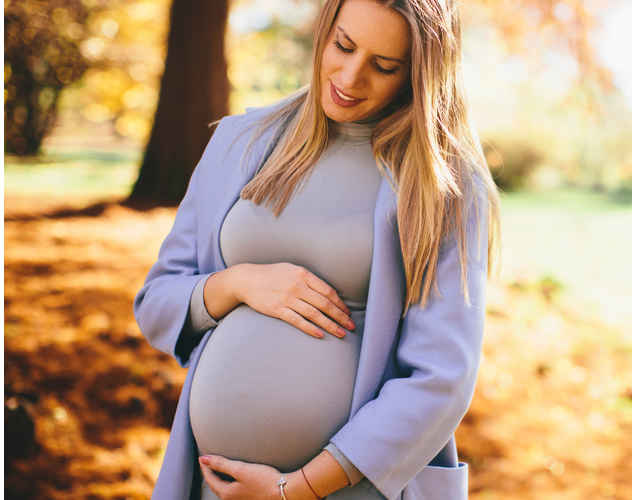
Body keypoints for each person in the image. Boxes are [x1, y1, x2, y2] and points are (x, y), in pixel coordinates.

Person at [133, 0, 501, 497]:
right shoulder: (237, 142)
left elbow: (442, 378)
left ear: (419, 74)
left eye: (384, 66)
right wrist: (237, 284)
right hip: (213, 487)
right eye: (343, 45)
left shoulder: (443, 186)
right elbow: (156, 301)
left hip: (353, 489)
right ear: (325, 30)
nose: (350, 77)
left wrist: (296, 488)